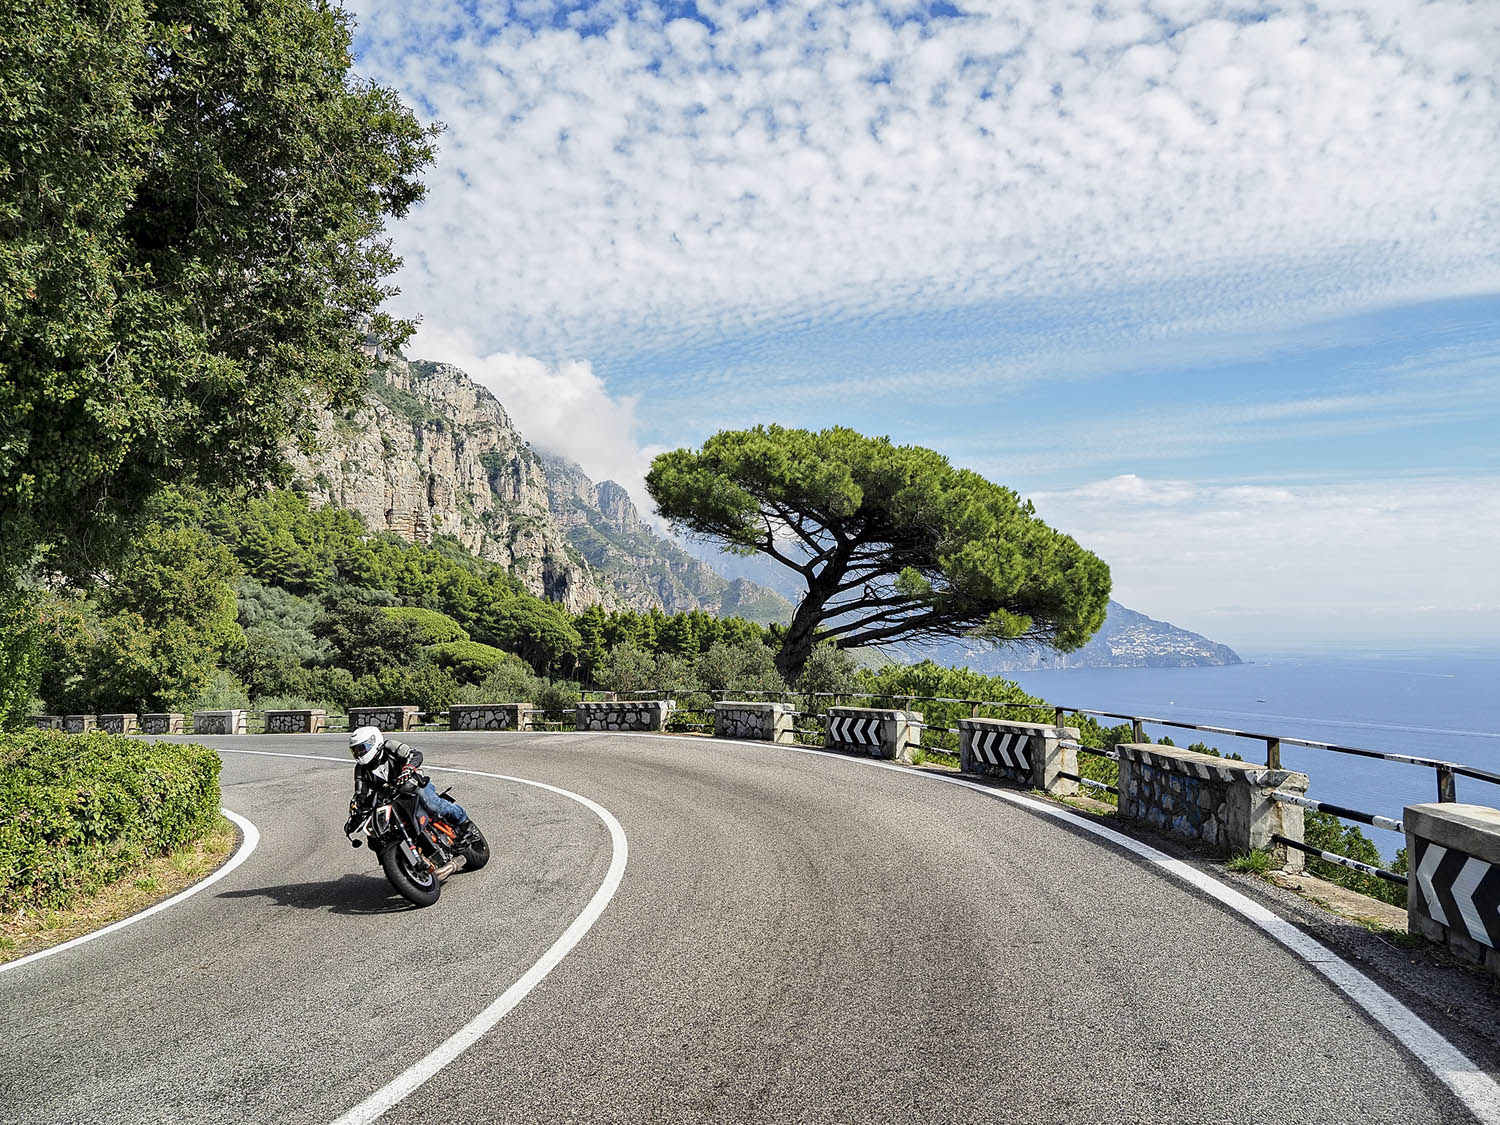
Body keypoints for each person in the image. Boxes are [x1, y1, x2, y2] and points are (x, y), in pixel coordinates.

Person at [344, 726, 474, 841]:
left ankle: (465, 824)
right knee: (377, 833)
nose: (359, 754)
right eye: (355, 751)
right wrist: (355, 810)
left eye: (361, 749)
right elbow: (360, 793)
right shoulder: (360, 769)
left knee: (433, 805)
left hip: (412, 784)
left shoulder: (390, 747)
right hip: (390, 799)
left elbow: (414, 754)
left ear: (373, 742)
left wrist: (408, 768)